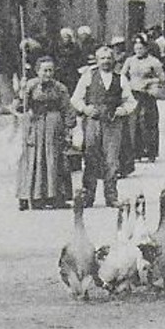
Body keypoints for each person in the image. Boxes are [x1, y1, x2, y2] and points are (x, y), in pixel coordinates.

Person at [70, 45, 134, 208]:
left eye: (108, 58)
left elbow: (131, 101)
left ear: (113, 60)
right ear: (97, 61)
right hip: (93, 122)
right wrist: (85, 108)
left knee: (111, 160)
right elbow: (76, 98)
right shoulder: (88, 76)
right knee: (91, 157)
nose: (106, 61)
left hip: (113, 123)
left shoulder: (120, 78)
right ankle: (88, 196)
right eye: (102, 59)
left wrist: (122, 110)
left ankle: (111, 196)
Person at [17, 56, 75, 211]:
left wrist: (69, 128)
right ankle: (33, 196)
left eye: (50, 70)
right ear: (37, 71)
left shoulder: (60, 88)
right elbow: (20, 106)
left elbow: (68, 108)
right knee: (35, 158)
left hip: (54, 126)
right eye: (45, 70)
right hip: (35, 126)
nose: (48, 74)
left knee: (54, 158)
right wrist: (22, 92)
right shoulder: (31, 86)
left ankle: (55, 196)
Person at [121, 34, 165, 162]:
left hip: (148, 94)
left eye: (141, 48)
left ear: (146, 49)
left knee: (148, 122)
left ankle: (151, 151)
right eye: (136, 48)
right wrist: (126, 85)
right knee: (133, 122)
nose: (138, 51)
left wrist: (151, 81)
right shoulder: (130, 60)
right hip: (134, 94)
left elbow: (162, 78)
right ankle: (136, 152)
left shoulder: (153, 62)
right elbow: (122, 76)